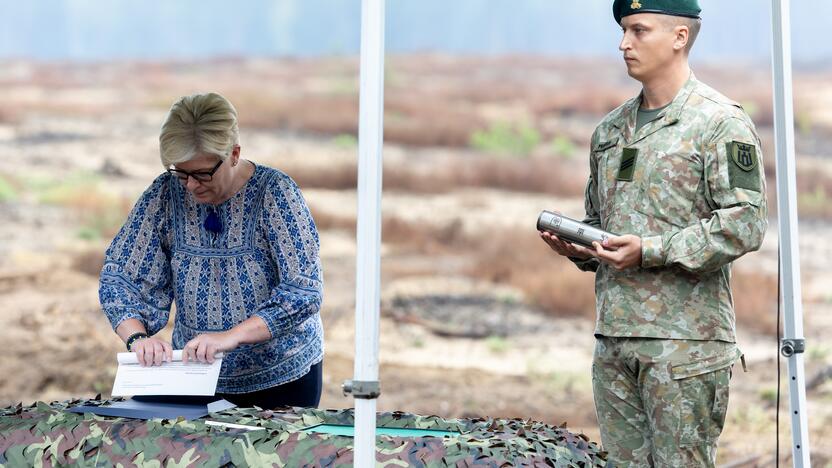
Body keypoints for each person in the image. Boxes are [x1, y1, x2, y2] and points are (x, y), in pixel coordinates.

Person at [539, 1, 767, 466]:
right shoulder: (610, 130)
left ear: (679, 37)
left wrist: (650, 251)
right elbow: (602, 222)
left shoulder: (719, 122)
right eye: (623, 31)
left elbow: (744, 223)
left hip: (685, 347)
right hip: (615, 340)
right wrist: (580, 246)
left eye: (639, 30)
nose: (624, 44)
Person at [99, 92, 324, 409]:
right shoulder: (164, 193)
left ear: (234, 153)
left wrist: (231, 336)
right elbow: (120, 277)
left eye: (203, 173)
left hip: (280, 377)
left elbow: (303, 292)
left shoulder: (277, 194)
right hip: (193, 374)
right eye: (181, 172)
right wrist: (138, 338)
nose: (190, 185)